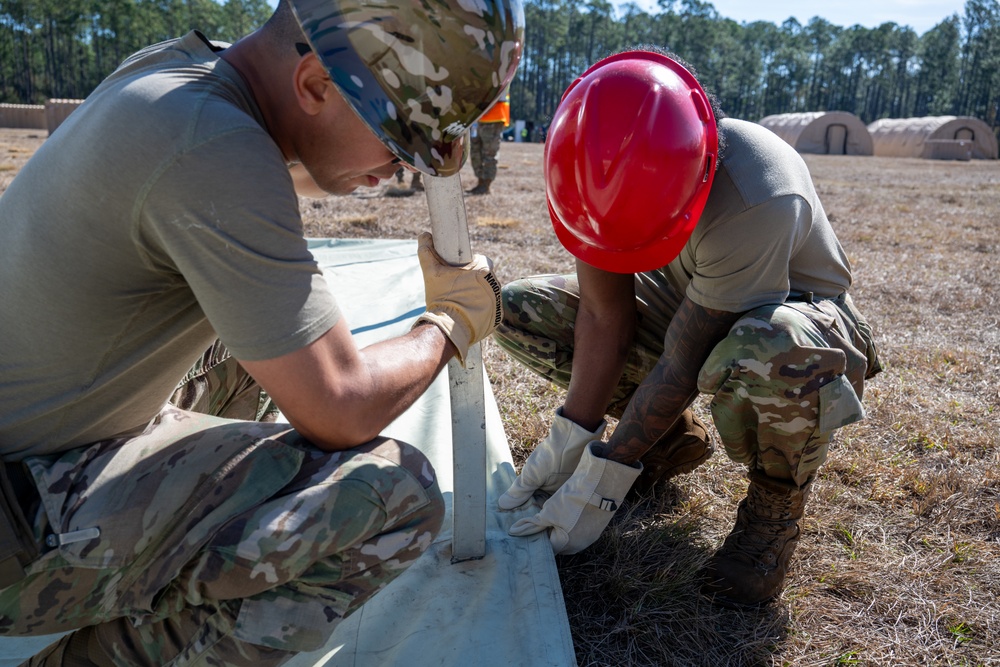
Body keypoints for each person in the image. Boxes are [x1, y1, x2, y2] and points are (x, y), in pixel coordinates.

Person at [0, 0, 523, 664]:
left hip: (30, 453)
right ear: (313, 86)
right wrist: (447, 322)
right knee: (393, 496)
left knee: (256, 342)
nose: (405, 169)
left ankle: (177, 571)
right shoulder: (215, 146)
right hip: (16, 520)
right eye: (402, 141)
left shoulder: (182, 74)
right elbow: (341, 402)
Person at [494, 48, 882, 608]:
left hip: (794, 320)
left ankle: (773, 512)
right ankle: (669, 443)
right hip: (690, 303)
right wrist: (571, 437)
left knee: (771, 350)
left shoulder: (755, 191)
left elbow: (683, 358)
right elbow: (605, 315)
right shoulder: (589, 173)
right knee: (524, 307)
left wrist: (604, 478)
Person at [466, 87, 511, 195]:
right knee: (475, 152)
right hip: (477, 118)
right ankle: (480, 182)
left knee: (489, 154)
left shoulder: (501, 71)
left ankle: (486, 185)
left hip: (494, 117)